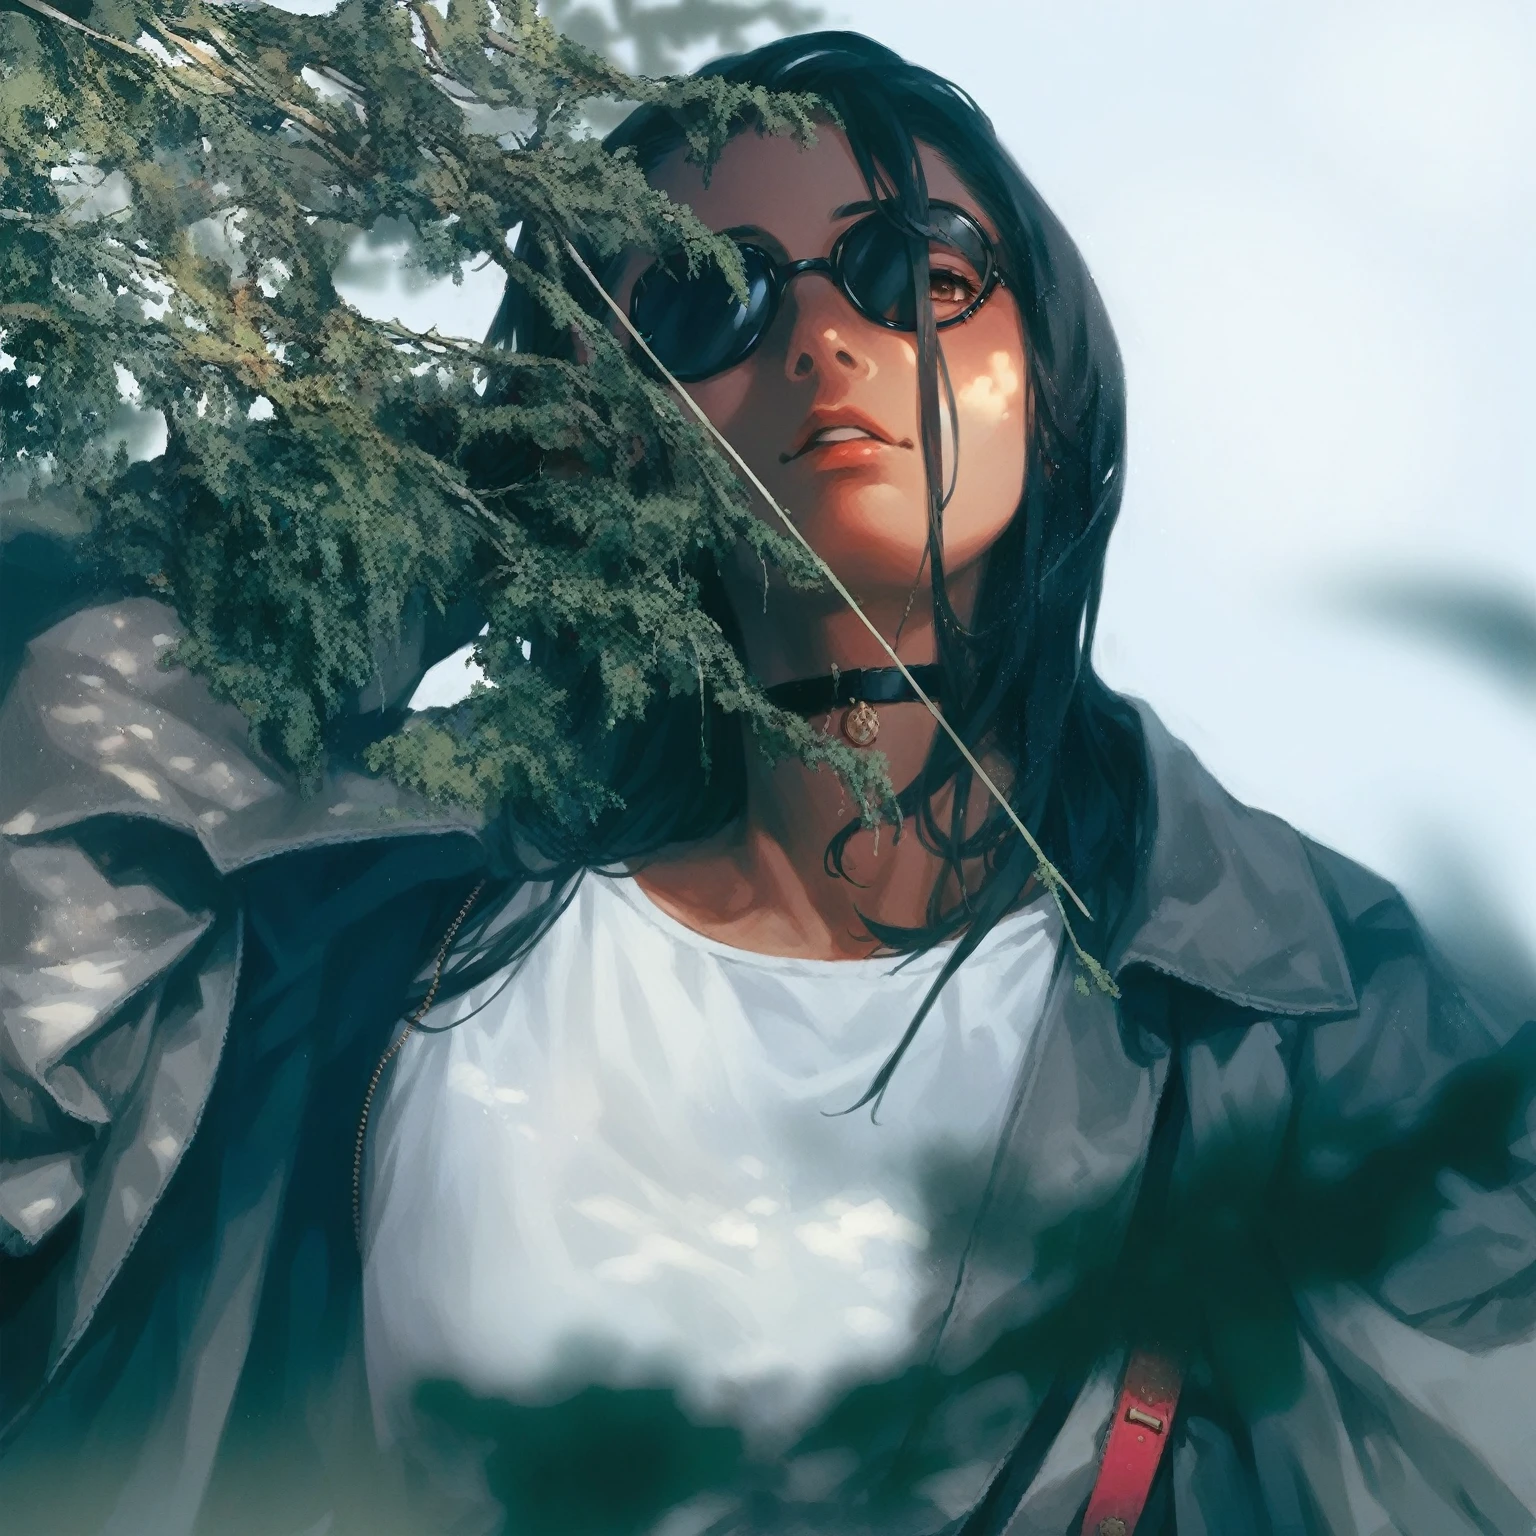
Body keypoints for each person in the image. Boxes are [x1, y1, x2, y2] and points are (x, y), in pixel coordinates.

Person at [1, 29, 1532, 1536]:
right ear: (596, 420)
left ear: (1052, 373)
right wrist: (448, 491)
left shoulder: (1298, 1003)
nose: (815, 341)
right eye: (700, 301)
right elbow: (66, 786)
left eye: (914, 271)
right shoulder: (358, 951)